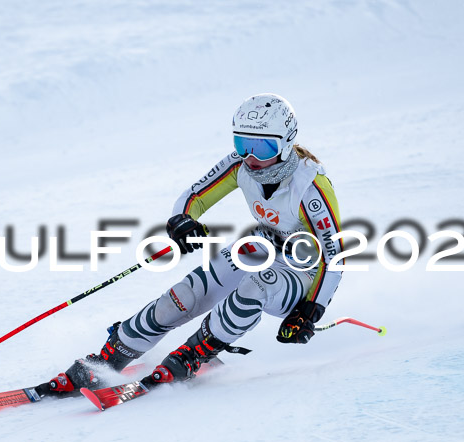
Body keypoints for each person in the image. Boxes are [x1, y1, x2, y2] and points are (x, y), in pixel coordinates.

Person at [38, 93, 343, 394]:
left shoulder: (310, 186)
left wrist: (311, 310)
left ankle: (193, 355)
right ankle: (108, 359)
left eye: (261, 147)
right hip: (263, 246)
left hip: (304, 273)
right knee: (186, 294)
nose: (250, 156)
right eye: (242, 143)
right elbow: (194, 196)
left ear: (285, 142)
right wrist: (183, 220)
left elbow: (335, 257)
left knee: (255, 287)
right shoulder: (240, 165)